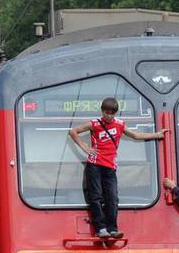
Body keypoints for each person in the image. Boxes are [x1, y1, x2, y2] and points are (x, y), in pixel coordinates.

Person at [69, 96, 167, 239]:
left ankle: (113, 228)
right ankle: (100, 228)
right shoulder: (94, 123)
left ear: (115, 113)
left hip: (110, 166)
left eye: (111, 113)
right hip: (94, 164)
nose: (108, 115)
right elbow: (73, 131)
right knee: (95, 197)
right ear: (102, 111)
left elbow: (135, 135)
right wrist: (85, 147)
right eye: (106, 112)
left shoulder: (120, 124)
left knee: (112, 198)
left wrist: (157, 135)